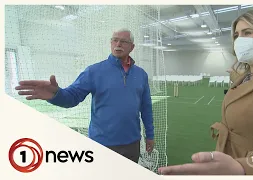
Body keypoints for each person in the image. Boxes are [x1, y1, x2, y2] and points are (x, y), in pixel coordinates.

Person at [158, 9, 253, 175]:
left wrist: (242, 167)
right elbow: (250, 84)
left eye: (247, 32)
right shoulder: (248, 75)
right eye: (236, 35)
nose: (240, 40)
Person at [15, 28, 155, 163]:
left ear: (132, 47)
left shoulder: (141, 75)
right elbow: (72, 97)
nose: (118, 44)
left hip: (132, 143)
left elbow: (146, 107)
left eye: (123, 41)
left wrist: (150, 135)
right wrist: (56, 95)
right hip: (102, 143)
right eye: (114, 40)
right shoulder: (94, 71)